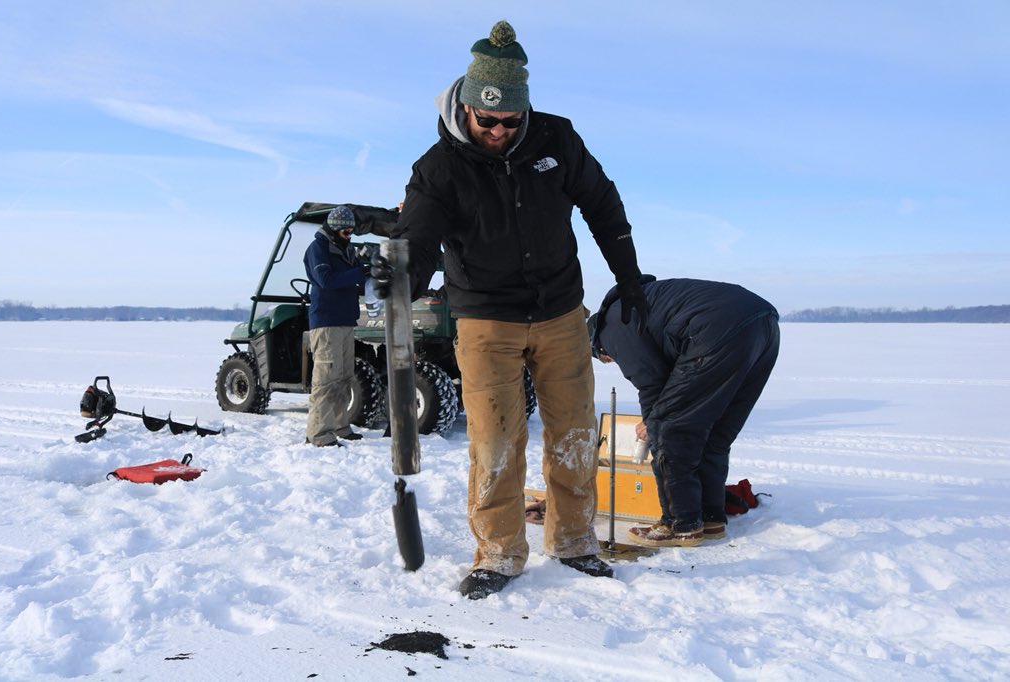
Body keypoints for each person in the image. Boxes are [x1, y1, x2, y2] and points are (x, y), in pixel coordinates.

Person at [372, 20, 649, 599]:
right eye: (488, 120)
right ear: (467, 107)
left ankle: (574, 540)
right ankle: (498, 551)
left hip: (559, 312)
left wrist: (630, 280)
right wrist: (401, 278)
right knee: (496, 438)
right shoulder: (439, 168)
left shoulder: (557, 139)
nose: (499, 131)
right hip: (485, 318)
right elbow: (419, 237)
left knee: (573, 431)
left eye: (511, 121)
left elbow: (603, 204)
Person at [588, 276, 780, 547]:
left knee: (669, 431)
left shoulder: (612, 326)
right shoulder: (637, 303)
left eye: (606, 358)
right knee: (715, 430)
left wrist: (651, 423)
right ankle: (710, 516)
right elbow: (672, 380)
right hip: (764, 325)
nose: (612, 360)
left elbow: (652, 381)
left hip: (717, 329)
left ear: (598, 345)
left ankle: (680, 525)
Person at [303, 205, 367, 447]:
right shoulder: (318, 248)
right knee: (326, 380)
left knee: (343, 377)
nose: (349, 235)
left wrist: (369, 273)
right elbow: (326, 280)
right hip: (327, 322)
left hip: (345, 321)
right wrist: (360, 273)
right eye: (346, 232)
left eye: (352, 231)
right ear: (334, 229)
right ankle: (318, 434)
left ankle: (341, 426)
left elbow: (353, 278)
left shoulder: (345, 248)